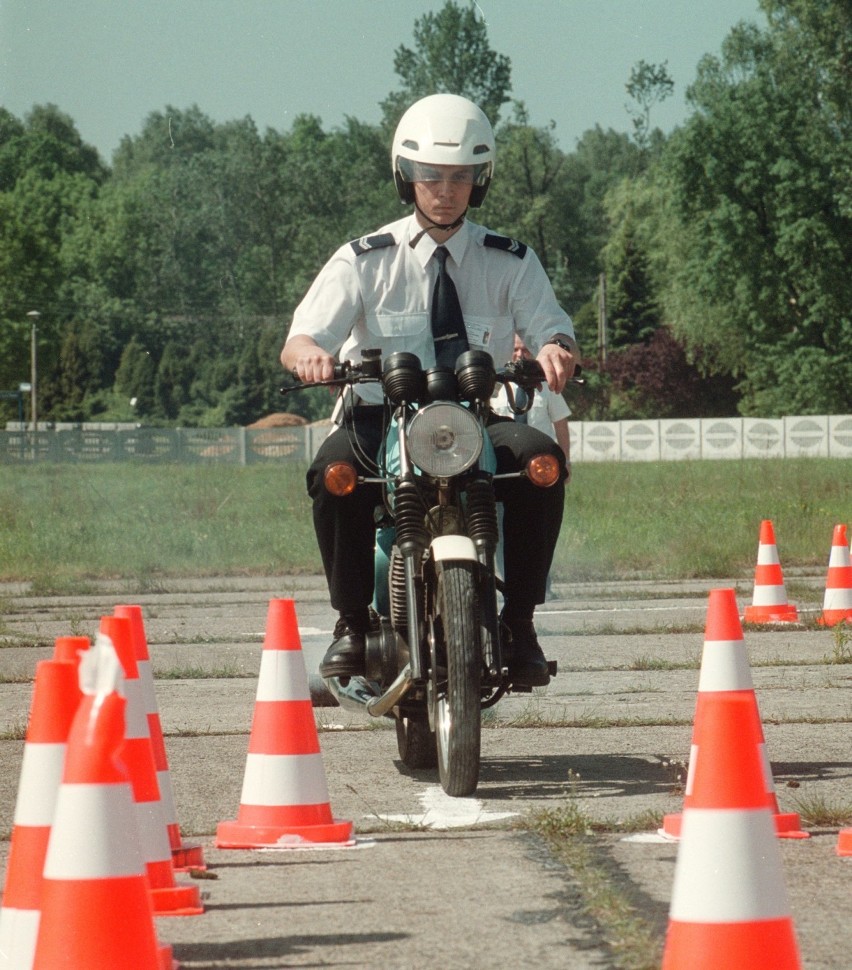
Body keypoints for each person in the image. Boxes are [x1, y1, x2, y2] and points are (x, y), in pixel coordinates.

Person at [281, 93, 580, 687]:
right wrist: (311, 355)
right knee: (333, 475)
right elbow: (300, 337)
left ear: (480, 181)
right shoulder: (364, 260)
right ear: (406, 177)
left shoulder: (512, 262)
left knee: (543, 464)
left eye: (460, 177)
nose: (445, 190)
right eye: (430, 176)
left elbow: (553, 329)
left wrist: (553, 351)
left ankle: (519, 622)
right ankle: (351, 623)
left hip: (476, 419)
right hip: (380, 419)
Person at [492, 333, 572, 599]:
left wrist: (566, 460)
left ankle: (542, 587)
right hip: (504, 468)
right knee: (503, 530)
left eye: (525, 349)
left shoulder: (545, 386)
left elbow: (560, 423)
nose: (520, 354)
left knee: (539, 528)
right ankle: (507, 586)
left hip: (538, 469)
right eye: (515, 349)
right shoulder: (494, 387)